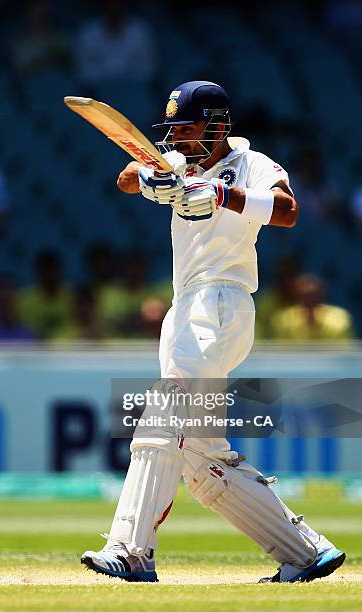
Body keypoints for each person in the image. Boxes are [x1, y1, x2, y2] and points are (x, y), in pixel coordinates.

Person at [81, 81, 345, 583]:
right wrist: (149, 176)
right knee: (203, 462)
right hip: (187, 307)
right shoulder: (176, 159)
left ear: (218, 124)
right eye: (172, 128)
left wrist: (224, 194)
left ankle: (131, 551)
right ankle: (307, 552)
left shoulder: (253, 164)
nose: (176, 136)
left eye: (186, 126)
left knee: (165, 409)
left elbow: (288, 212)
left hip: (222, 301)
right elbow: (125, 178)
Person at [270, 274, 353, 341]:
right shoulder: (284, 321)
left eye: (314, 296)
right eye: (305, 296)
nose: (310, 301)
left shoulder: (340, 320)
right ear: (297, 298)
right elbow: (280, 355)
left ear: (322, 297)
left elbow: (344, 355)